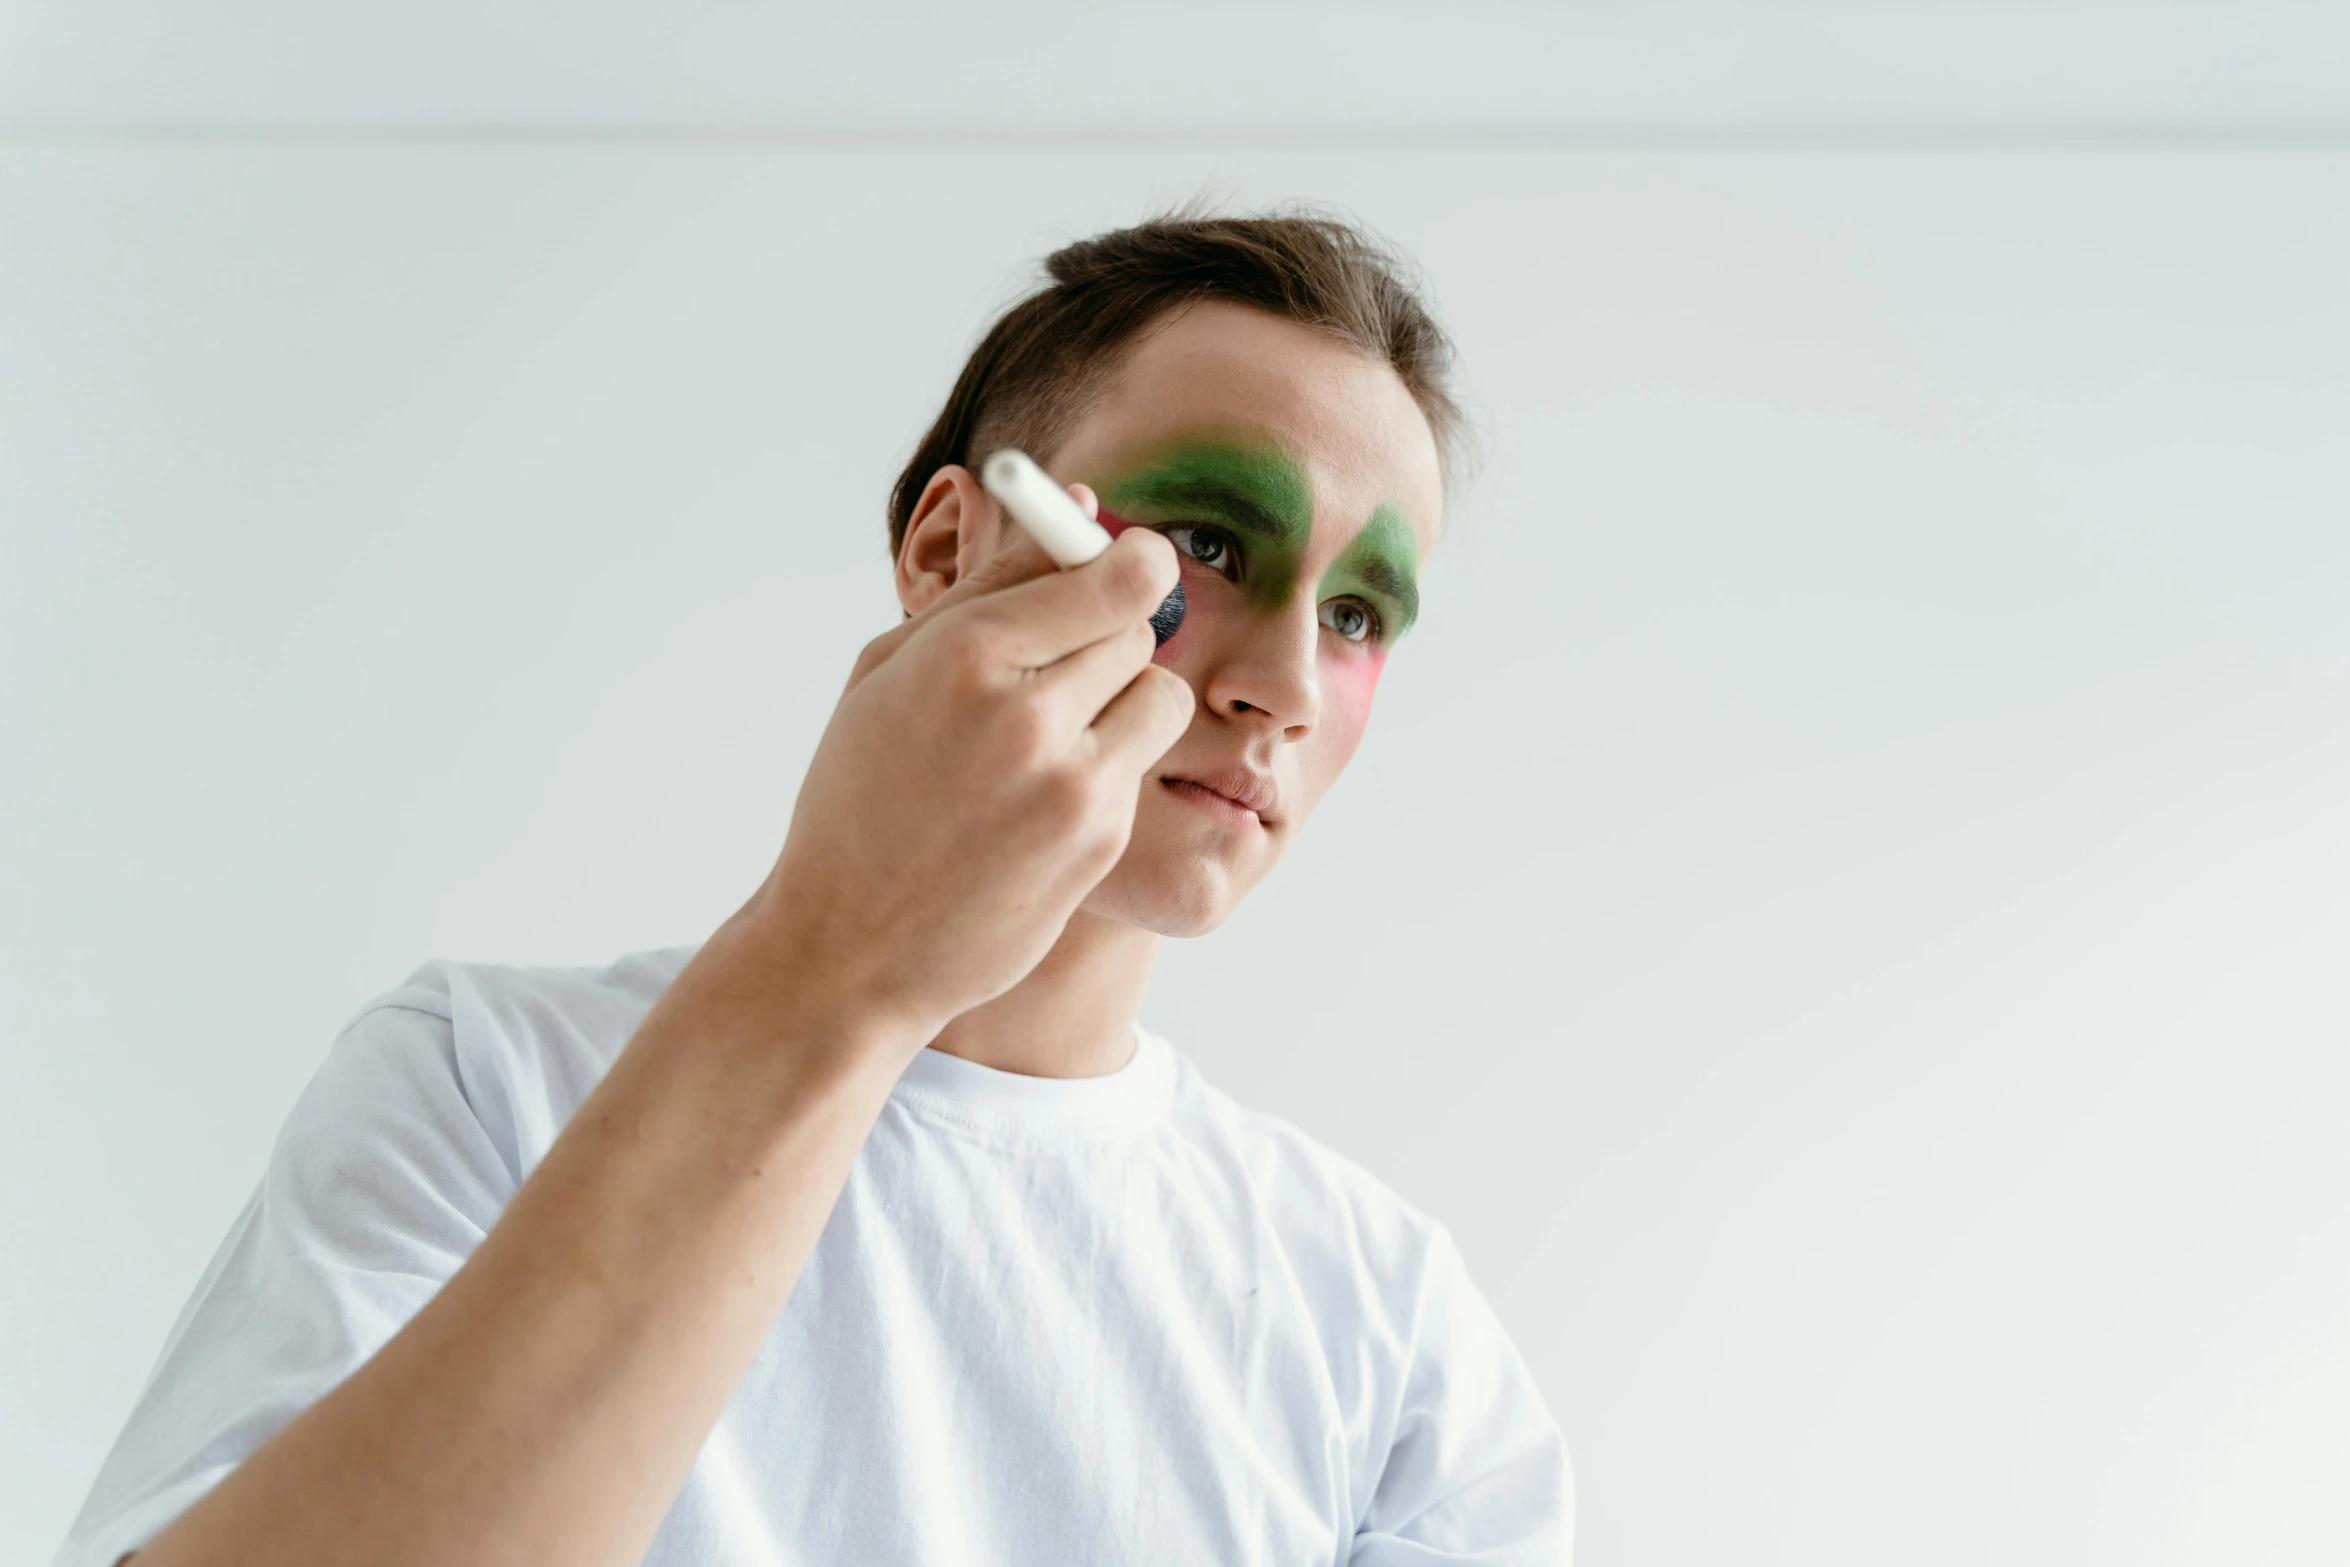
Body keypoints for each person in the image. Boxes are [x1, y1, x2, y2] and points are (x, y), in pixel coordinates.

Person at [57, 210, 1572, 1567]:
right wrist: (842, 971)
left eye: (1362, 610)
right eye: (1210, 540)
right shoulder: (483, 1086)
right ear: (946, 544)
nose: (1288, 681)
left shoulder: (1390, 1329)